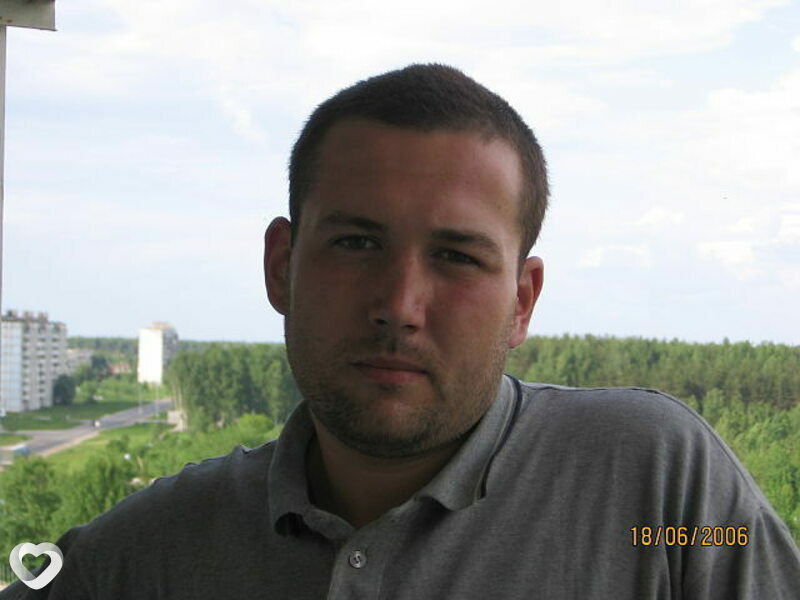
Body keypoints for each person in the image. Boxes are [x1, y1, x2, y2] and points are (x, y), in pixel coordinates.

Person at [3, 63, 799, 599]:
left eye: (456, 256)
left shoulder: (654, 485)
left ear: (522, 302)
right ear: (281, 267)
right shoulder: (159, 550)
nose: (400, 305)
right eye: (357, 243)